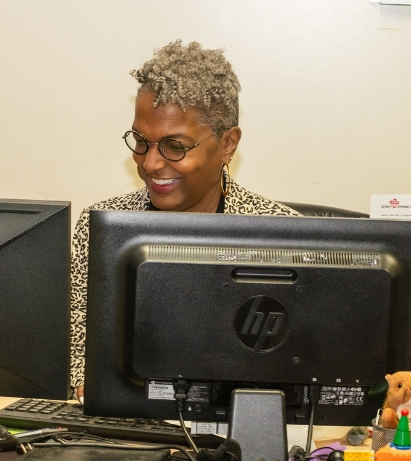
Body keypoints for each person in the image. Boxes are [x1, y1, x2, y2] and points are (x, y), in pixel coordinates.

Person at [71, 40, 300, 398]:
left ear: (228, 144)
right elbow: (80, 355)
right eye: (141, 141)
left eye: (175, 146)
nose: (149, 163)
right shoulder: (101, 228)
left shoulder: (285, 234)